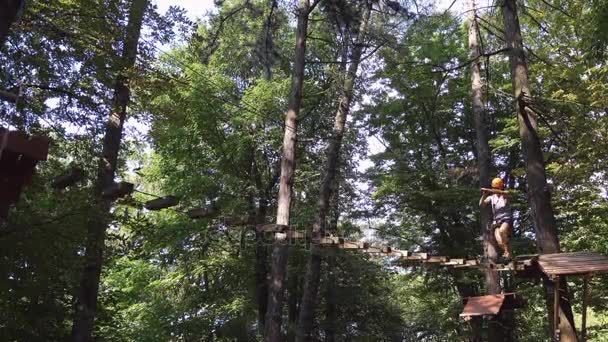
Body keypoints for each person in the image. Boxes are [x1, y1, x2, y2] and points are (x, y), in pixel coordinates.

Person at [480, 177, 513, 259]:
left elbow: (505, 193)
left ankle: (507, 251)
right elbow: (481, 204)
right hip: (497, 221)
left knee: (502, 231)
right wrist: (484, 195)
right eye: (494, 187)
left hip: (506, 219)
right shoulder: (492, 197)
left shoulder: (505, 194)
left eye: (497, 187)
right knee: (499, 240)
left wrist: (488, 190)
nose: (495, 189)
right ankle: (507, 252)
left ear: (501, 187)